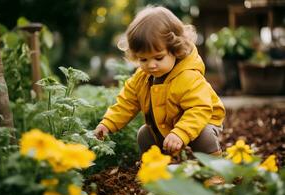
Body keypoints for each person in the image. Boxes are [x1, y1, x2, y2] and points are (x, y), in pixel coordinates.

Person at [94, 5, 225, 158]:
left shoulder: (188, 76)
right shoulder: (141, 78)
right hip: (169, 124)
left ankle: (213, 169)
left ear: (175, 49)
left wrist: (180, 132)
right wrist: (107, 123)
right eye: (143, 59)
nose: (150, 65)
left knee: (204, 136)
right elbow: (126, 103)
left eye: (158, 57)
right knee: (145, 134)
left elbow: (200, 108)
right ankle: (155, 166)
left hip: (202, 120)